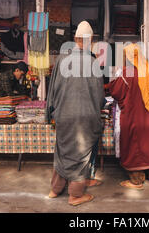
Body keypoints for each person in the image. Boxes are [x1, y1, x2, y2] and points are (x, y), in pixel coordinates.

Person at [46, 21, 105, 206]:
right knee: (80, 155)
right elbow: (99, 96)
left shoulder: (62, 60)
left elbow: (51, 91)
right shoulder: (93, 62)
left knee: (62, 151)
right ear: (90, 41)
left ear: (75, 39)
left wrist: (50, 113)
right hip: (84, 117)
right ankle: (76, 195)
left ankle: (55, 189)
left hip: (63, 115)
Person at [108, 43, 149, 190]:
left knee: (135, 147)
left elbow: (115, 92)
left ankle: (136, 180)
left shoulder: (127, 73)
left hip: (135, 118)